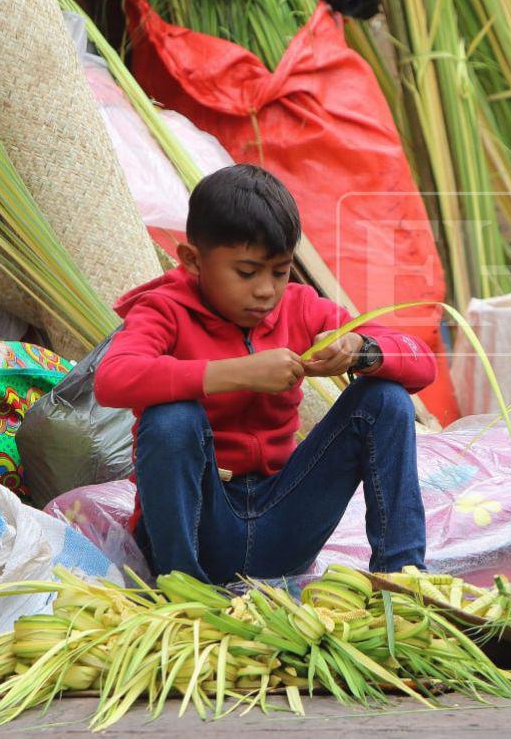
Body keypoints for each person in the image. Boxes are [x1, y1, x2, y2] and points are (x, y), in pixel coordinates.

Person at [94, 164, 434, 584]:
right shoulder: (164, 309)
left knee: (386, 399)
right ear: (193, 260)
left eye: (279, 271)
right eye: (247, 272)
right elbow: (113, 378)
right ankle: (181, 592)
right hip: (198, 531)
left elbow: (422, 362)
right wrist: (239, 373)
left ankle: (402, 578)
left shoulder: (301, 306)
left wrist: (360, 350)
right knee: (171, 419)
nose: (265, 290)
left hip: (282, 522)